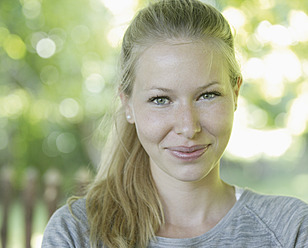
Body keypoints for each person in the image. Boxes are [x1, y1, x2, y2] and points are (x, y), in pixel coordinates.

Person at [41, 0, 308, 247]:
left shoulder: (290, 229)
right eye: (161, 99)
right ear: (128, 104)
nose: (188, 127)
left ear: (235, 93)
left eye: (207, 95)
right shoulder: (76, 232)